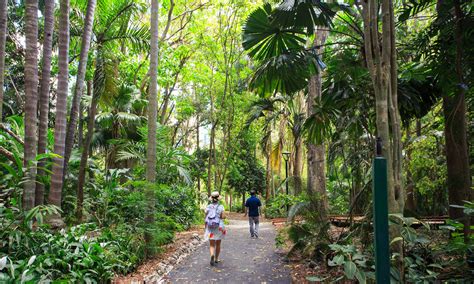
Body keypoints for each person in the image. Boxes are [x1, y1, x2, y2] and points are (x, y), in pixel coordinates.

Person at [204, 191, 226, 266]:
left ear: (212, 199)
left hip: (210, 227)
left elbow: (206, 217)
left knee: (212, 244)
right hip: (219, 227)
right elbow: (223, 217)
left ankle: (212, 255)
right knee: (218, 244)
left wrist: (205, 227)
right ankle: (216, 258)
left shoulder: (208, 206)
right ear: (218, 198)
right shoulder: (221, 206)